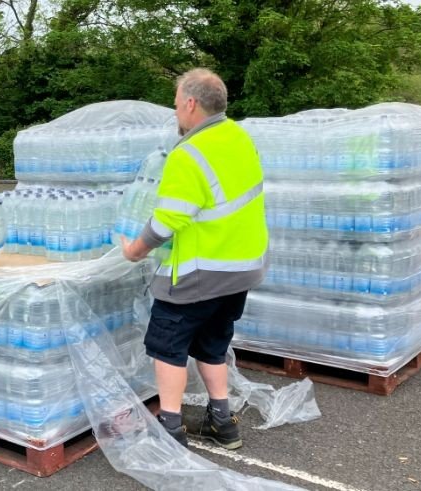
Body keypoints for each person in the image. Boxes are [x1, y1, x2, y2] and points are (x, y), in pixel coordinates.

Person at [120, 68, 268, 450]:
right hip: (241, 268)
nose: (175, 116)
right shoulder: (239, 138)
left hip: (199, 271)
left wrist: (134, 251)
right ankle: (223, 421)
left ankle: (168, 430)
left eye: (175, 106)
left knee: (168, 346)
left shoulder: (188, 153)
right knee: (212, 344)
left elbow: (168, 220)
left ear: (190, 104)